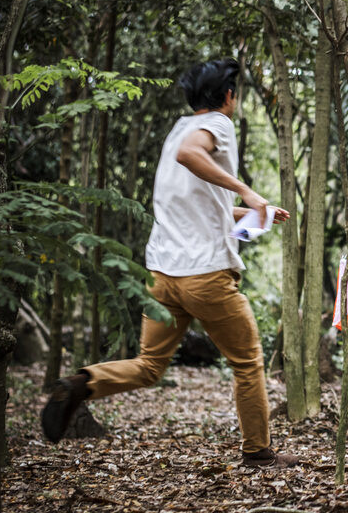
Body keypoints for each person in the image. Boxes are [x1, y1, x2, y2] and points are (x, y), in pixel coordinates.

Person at [41, 58, 299, 467]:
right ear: (228, 96)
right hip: (206, 278)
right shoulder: (216, 126)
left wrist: (254, 214)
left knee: (148, 366)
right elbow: (190, 154)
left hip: (163, 275)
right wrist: (248, 193)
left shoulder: (177, 130)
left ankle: (82, 383)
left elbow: (199, 206)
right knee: (248, 362)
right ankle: (258, 451)